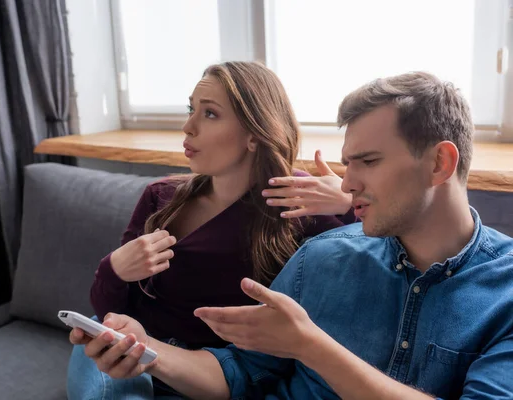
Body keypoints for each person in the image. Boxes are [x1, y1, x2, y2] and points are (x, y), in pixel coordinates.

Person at [71, 71, 513, 399]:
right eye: (348, 164)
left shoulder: (503, 292)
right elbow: (237, 372)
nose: (346, 183)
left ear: (439, 163)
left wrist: (310, 345)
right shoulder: (321, 259)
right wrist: (143, 347)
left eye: (369, 162)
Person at [67, 61, 358, 399]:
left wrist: (347, 202)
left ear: (254, 134)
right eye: (191, 109)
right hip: (125, 345)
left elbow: (377, 257)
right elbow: (107, 310)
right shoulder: (161, 197)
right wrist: (114, 268)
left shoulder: (299, 205)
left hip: (203, 375)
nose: (188, 127)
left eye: (210, 114)